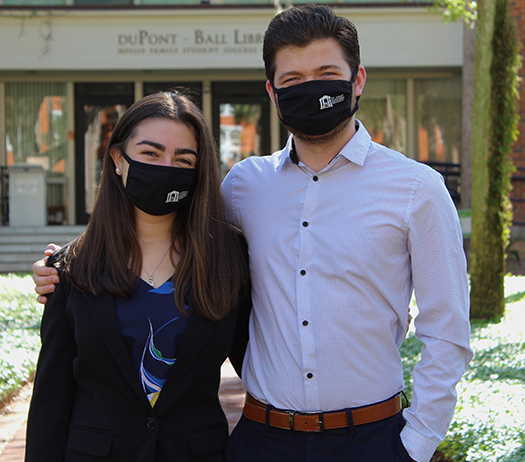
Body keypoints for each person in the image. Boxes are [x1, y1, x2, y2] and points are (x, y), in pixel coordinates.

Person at [33, 5, 473, 462]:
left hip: (371, 439)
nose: (312, 88)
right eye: (293, 80)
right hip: (261, 439)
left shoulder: (416, 189)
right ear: (272, 91)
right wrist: (64, 266)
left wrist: (417, 442)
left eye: (326, 72)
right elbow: (167, 228)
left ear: (357, 79)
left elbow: (447, 328)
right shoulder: (244, 186)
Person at [26, 91, 251, 462]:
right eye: (150, 153)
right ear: (117, 158)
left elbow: (261, 368)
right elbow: (52, 399)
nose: (166, 166)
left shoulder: (230, 258)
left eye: (183, 159)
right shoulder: (71, 268)